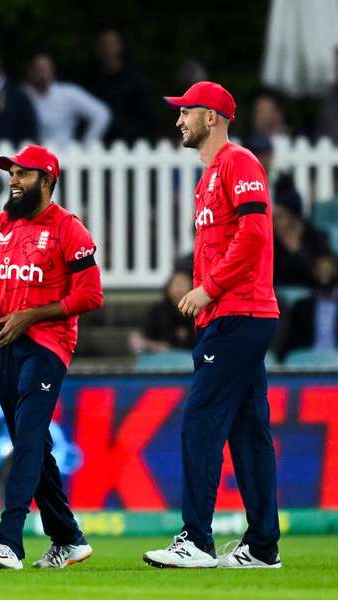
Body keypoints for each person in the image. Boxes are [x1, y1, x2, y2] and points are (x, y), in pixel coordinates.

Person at [143, 82, 282, 569]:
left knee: (202, 422)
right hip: (233, 314)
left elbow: (255, 232)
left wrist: (209, 288)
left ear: (213, 117)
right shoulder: (209, 177)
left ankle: (196, 541)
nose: (179, 119)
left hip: (237, 311)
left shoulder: (239, 162)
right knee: (248, 432)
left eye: (187, 111)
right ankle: (263, 545)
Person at [0, 144, 103, 570]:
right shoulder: (1, 227)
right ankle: (68, 536)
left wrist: (30, 316)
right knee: (32, 443)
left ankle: (9, 540)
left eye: (22, 175)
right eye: (11, 173)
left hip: (49, 346)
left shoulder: (69, 228)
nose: (12, 180)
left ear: (46, 180)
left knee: (28, 439)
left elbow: (90, 294)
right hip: (8, 343)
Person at [22, 53, 110, 148]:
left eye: (46, 69)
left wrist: (87, 144)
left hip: (64, 156)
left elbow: (101, 114)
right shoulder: (22, 95)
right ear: (30, 71)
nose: (42, 74)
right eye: (38, 69)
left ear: (53, 71)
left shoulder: (68, 94)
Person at [90, 29, 153, 144]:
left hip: (131, 142)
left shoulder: (135, 79)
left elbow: (146, 116)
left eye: (111, 45)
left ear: (120, 47)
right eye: (104, 45)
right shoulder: (91, 80)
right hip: (100, 142)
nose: (108, 49)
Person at [275, 253, 338, 359]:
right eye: (320, 269)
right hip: (307, 361)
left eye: (328, 269)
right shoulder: (301, 307)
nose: (324, 273)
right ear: (313, 272)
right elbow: (291, 342)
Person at [272, 181, 332, 287]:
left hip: (310, 296)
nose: (274, 220)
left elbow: (327, 266)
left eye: (280, 216)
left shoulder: (313, 236)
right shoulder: (272, 239)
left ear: (293, 218)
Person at [129, 270, 197, 353]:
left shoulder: (198, 311)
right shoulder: (158, 310)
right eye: (176, 284)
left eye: (183, 285)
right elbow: (146, 338)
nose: (179, 290)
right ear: (168, 287)